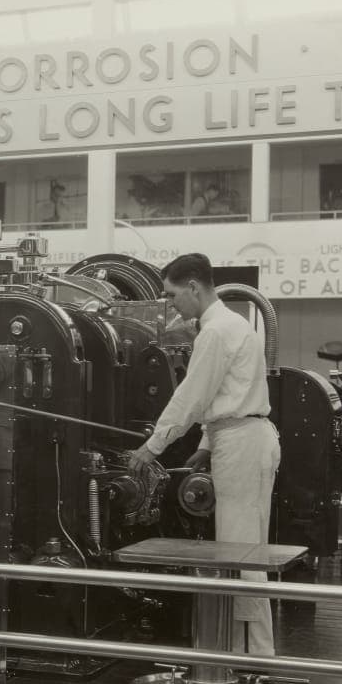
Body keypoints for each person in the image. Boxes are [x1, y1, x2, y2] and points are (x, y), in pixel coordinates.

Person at [126, 253, 281, 656]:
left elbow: (191, 397)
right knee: (247, 549)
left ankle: (248, 657)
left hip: (242, 443)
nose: (172, 303)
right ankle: (251, 651)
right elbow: (227, 393)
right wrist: (205, 447)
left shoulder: (215, 332)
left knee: (239, 552)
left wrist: (151, 446)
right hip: (244, 438)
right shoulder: (233, 325)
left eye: (173, 295)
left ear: (194, 287)